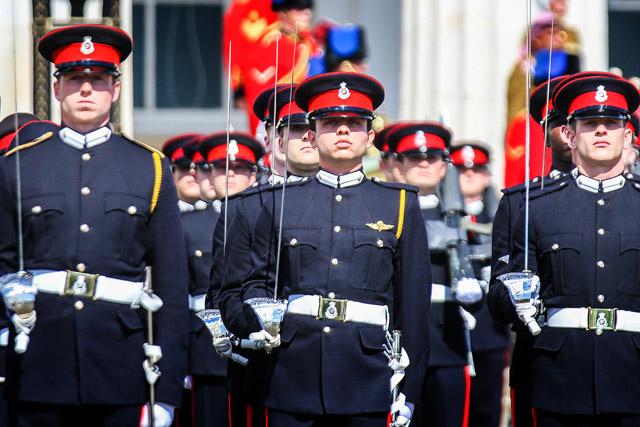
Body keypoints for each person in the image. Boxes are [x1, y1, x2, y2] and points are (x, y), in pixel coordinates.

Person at [0, 24, 189, 426]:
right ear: (56, 89)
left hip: (120, 363)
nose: (86, 89)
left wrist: (167, 392)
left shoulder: (150, 168)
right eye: (74, 79)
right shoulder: (18, 166)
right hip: (37, 362)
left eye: (98, 79)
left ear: (115, 89)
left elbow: (172, 287)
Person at [223, 72, 431, 426]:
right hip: (292, 374)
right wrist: (258, 314)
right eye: (331, 122)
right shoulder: (280, 202)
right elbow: (256, 280)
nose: (344, 131)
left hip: (368, 376)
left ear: (371, 136)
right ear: (311, 134)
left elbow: (412, 309)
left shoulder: (398, 204)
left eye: (354, 122)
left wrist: (408, 391)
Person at [502, 72, 640, 426]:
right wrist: (513, 299)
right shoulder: (538, 208)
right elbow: (504, 294)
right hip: (560, 376)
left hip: (632, 373)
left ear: (627, 135)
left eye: (611, 123)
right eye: (590, 123)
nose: (600, 131)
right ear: (568, 133)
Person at [386, 122, 484, 427]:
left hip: (448, 342)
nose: (425, 164)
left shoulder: (462, 216)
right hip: (397, 346)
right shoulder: (388, 211)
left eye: (433, 158)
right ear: (398, 165)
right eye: (414, 158)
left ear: (445, 167)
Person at [450, 143, 508, 427]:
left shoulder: (504, 214)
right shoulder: (440, 215)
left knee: (485, 410)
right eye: (462, 170)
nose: (470, 175)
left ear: (487, 175)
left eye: (477, 170)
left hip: (490, 330)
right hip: (449, 331)